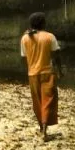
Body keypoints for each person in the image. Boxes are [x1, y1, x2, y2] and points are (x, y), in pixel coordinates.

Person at [20, 12, 63, 141]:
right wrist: (60, 71)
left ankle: (41, 128)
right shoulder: (50, 37)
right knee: (48, 101)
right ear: (43, 23)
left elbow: (24, 57)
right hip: (47, 73)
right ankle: (44, 132)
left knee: (37, 102)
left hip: (32, 74)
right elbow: (56, 56)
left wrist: (29, 69)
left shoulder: (25, 38)